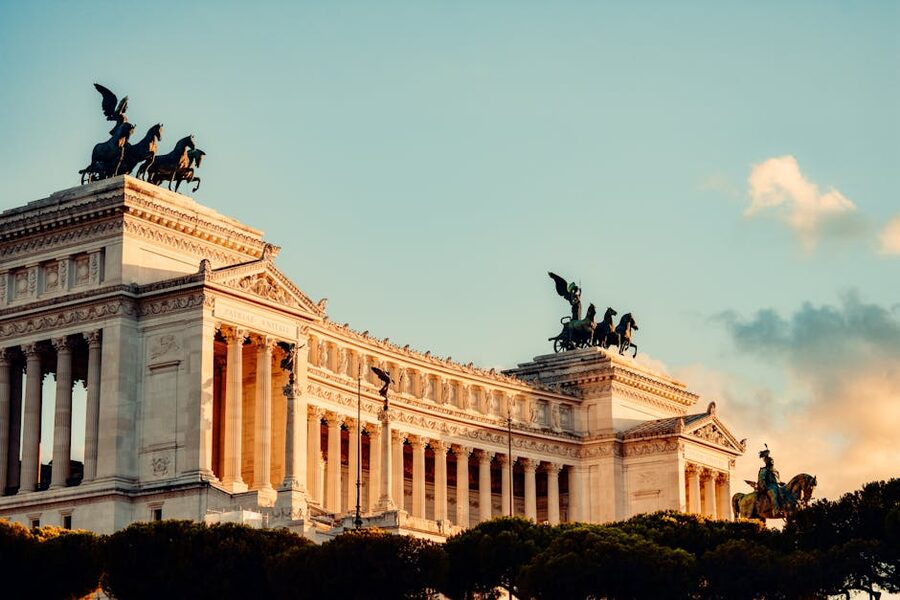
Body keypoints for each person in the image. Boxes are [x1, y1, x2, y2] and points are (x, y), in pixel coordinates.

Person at [758, 447, 783, 514]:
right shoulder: (764, 470)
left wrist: (781, 483)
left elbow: (777, 480)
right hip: (769, 487)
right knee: (773, 493)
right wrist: (764, 487)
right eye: (771, 461)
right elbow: (761, 480)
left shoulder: (775, 471)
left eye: (773, 461)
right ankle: (776, 510)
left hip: (776, 486)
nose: (772, 462)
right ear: (767, 462)